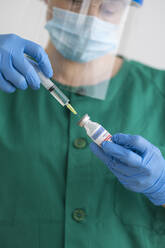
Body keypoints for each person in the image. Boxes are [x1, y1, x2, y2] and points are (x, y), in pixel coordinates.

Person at [0, 0, 165, 247]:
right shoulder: (6, 84)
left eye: (108, 8)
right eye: (77, 2)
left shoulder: (158, 94)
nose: (90, 18)